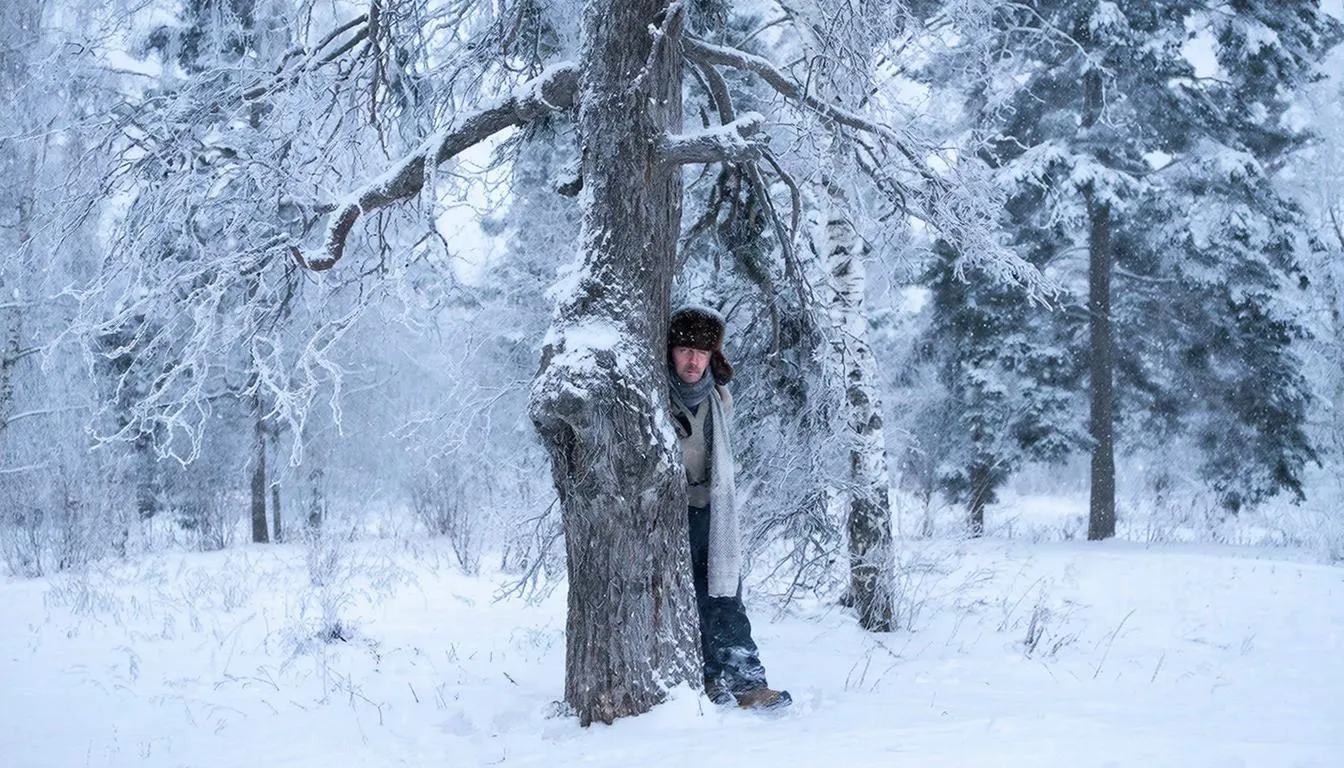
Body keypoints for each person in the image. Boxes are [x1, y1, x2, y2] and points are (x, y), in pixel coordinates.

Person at [667, 304, 791, 711]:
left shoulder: (719, 399)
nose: (692, 360)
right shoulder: (655, 395)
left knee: (724, 595)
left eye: (701, 352)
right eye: (685, 350)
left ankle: (747, 682)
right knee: (684, 599)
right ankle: (705, 678)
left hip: (712, 514)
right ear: (671, 351)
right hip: (666, 517)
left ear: (712, 356)